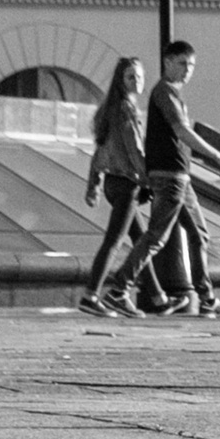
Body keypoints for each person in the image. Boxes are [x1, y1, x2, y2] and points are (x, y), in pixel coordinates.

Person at [101, 40, 220, 318]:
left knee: (198, 235)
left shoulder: (171, 93)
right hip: (169, 176)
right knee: (156, 238)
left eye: (192, 65)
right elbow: (181, 131)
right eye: (182, 63)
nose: (188, 70)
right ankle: (118, 290)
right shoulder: (164, 92)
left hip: (179, 176)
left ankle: (207, 298)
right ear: (168, 62)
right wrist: (216, 156)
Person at [77, 56, 149, 316]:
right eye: (131, 77)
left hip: (111, 182)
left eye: (140, 76)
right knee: (114, 241)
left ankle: (156, 295)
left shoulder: (109, 108)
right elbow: (134, 150)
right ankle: (91, 295)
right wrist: (148, 179)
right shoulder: (126, 109)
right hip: (127, 182)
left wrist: (94, 186)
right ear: (121, 80)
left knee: (142, 239)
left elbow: (99, 152)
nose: (137, 81)